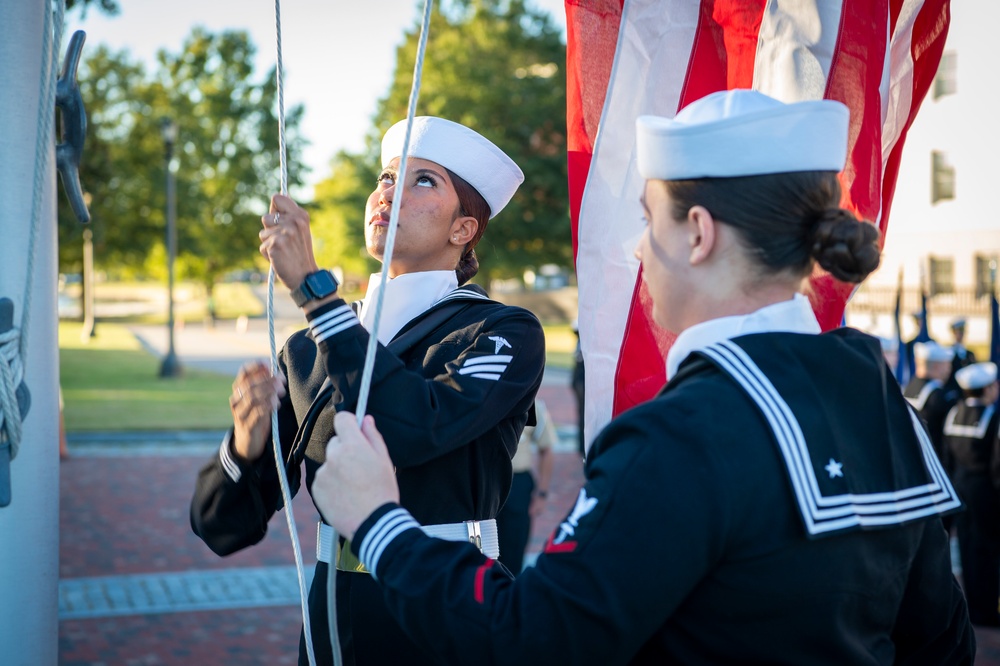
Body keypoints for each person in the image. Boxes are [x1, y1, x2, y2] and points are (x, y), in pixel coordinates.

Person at [311, 90, 975, 665]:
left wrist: (378, 522)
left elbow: (531, 641)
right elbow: (941, 642)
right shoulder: (884, 403)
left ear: (697, 235)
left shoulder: (681, 434)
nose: (636, 248)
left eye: (647, 218)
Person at [189, 116, 546, 665]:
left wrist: (315, 291)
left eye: (424, 180)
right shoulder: (309, 348)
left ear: (463, 230)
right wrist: (245, 442)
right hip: (334, 613)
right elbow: (222, 528)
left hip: (446, 605)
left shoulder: (502, 332)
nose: (388, 192)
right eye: (385, 177)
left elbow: (410, 427)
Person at [944, 361, 1000, 627]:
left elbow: (946, 456)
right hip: (985, 492)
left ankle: (972, 605)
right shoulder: (993, 417)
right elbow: (997, 465)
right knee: (987, 551)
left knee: (966, 547)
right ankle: (986, 610)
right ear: (988, 389)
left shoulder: (953, 413)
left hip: (958, 487)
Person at [494, 398, 556, 575]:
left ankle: (510, 593)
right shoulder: (483, 394)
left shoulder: (530, 403)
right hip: (487, 482)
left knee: (514, 547)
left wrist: (542, 493)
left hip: (518, 484)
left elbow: (547, 450)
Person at [904, 341, 959, 470]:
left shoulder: (909, 388)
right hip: (934, 462)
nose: (949, 369)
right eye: (947, 365)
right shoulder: (939, 396)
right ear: (936, 366)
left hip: (911, 459)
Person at [946, 317, 977, 393]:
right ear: (953, 333)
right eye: (958, 332)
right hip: (953, 390)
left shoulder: (970, 354)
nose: (961, 335)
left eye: (963, 332)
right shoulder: (948, 353)